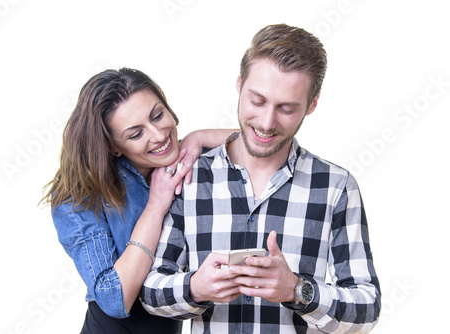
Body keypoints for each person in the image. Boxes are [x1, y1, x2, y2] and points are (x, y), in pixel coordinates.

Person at [141, 23, 381, 333]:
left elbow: (366, 308)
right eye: (258, 101)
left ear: (312, 104)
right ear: (239, 84)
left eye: (286, 108)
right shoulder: (192, 177)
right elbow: (150, 291)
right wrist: (195, 287)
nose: (267, 123)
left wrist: (297, 290)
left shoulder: (335, 187)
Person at [40, 68, 233, 334]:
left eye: (158, 115)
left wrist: (199, 137)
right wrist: (156, 204)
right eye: (135, 134)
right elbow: (114, 299)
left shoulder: (186, 161)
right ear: (112, 147)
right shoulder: (80, 195)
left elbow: (269, 144)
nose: (158, 135)